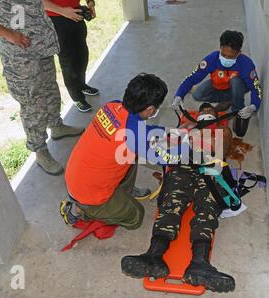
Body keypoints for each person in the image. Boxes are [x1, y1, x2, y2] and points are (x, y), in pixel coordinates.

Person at [0, 0, 85, 176]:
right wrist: (8, 34)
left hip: (41, 42)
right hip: (20, 52)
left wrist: (60, 11)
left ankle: (56, 125)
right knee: (32, 100)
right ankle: (39, 150)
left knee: (49, 88)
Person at [121, 103, 236, 293]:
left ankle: (200, 263)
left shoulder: (221, 130)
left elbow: (221, 149)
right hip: (181, 165)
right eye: (203, 112)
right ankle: (153, 256)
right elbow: (166, 148)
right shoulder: (185, 129)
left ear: (215, 116)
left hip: (209, 167)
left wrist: (205, 135)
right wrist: (181, 136)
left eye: (210, 113)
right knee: (170, 204)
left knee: (207, 209)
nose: (206, 114)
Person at [60, 73, 190, 230]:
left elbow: (141, 131)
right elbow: (166, 158)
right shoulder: (134, 136)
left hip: (77, 176)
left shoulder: (112, 106)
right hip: (87, 194)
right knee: (136, 217)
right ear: (150, 110)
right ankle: (78, 210)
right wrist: (187, 146)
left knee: (130, 152)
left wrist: (171, 131)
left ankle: (122, 193)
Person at [172, 30, 263, 137]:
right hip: (218, 85)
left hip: (238, 87)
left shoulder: (246, 64)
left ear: (239, 53)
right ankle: (228, 100)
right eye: (224, 54)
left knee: (236, 81)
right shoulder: (212, 59)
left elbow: (256, 88)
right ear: (220, 48)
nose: (226, 59)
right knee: (197, 94)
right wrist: (179, 95)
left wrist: (253, 106)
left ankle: (236, 110)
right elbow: (192, 78)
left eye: (231, 56)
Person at [43, 0, 99, 113]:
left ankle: (81, 85)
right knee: (69, 61)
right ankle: (77, 97)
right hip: (56, 19)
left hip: (76, 15)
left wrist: (90, 3)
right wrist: (62, 11)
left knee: (82, 55)